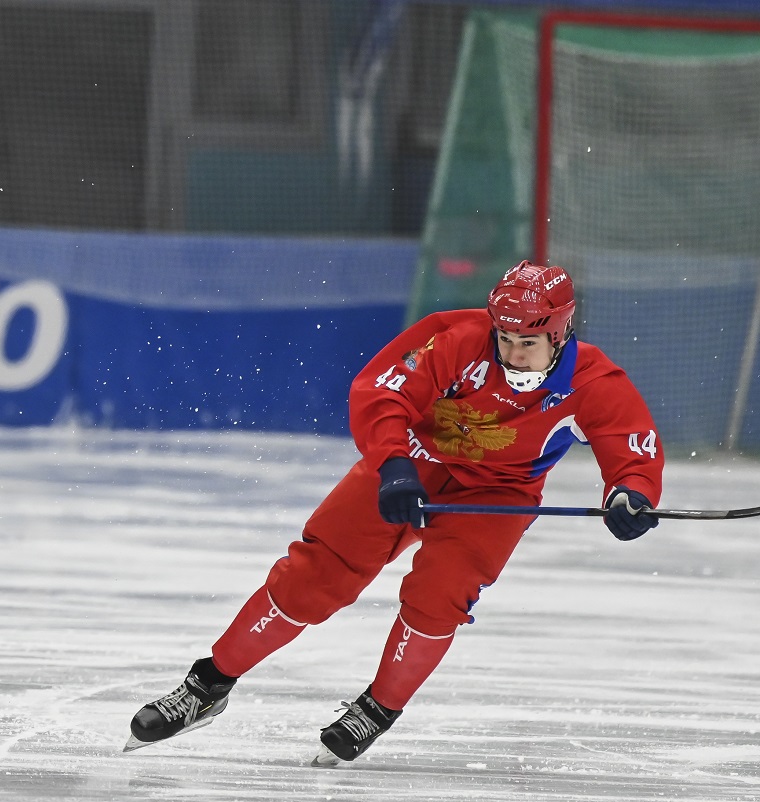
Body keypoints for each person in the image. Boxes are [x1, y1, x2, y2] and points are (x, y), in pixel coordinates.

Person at [125, 260, 663, 765]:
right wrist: (395, 464)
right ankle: (207, 686)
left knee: (439, 595)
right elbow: (380, 393)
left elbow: (630, 449)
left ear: (560, 335)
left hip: (495, 494)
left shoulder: (594, 381)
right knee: (315, 575)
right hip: (412, 464)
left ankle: (377, 708)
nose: (513, 353)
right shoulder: (454, 337)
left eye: (528, 343)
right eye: (505, 338)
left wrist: (629, 495)